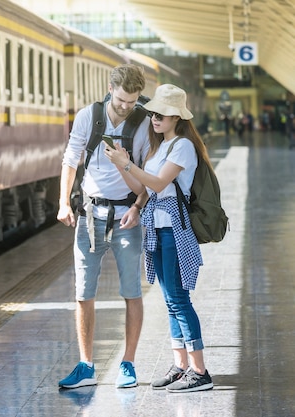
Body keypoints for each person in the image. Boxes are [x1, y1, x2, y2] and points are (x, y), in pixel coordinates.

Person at [104, 83, 214, 392]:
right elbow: (146, 190)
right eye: (153, 113)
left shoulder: (182, 146)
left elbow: (158, 181)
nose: (155, 119)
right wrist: (126, 175)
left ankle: (200, 371)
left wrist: (128, 164)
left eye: (162, 115)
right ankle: (180, 366)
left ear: (177, 118)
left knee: (179, 299)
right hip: (157, 226)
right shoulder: (159, 147)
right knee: (169, 301)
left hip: (175, 229)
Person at [57, 64, 150, 389]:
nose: (126, 107)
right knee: (83, 293)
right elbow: (71, 158)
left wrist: (138, 206)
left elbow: (146, 178)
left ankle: (128, 363)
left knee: (131, 292)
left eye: (132, 100)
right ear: (111, 88)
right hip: (90, 215)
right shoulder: (89, 116)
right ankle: (86, 366)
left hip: (127, 216)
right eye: (122, 99)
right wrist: (63, 202)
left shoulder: (142, 122)